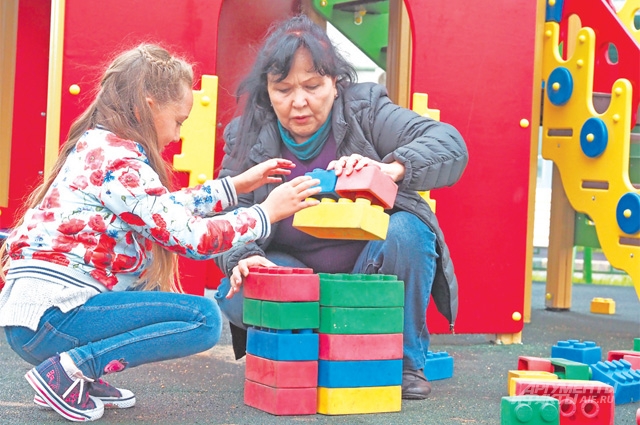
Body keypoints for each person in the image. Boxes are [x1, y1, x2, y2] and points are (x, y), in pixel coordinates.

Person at [0, 43, 321, 422]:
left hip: (37, 320)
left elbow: (160, 211)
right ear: (147, 106)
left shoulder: (99, 146)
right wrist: (265, 213)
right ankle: (69, 371)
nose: (177, 133)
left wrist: (234, 187)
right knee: (202, 319)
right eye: (179, 120)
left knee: (149, 290)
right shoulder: (121, 161)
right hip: (55, 318)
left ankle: (78, 371)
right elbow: (191, 238)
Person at [213, 15, 469, 400]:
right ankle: (305, 355)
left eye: (312, 86)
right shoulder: (246, 135)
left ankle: (402, 362)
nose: (298, 102)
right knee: (240, 290)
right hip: (294, 274)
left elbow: (449, 143)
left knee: (409, 231)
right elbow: (224, 221)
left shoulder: (365, 110)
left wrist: (389, 168)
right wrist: (244, 257)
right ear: (267, 91)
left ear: (335, 82)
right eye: (283, 89)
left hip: (365, 269)